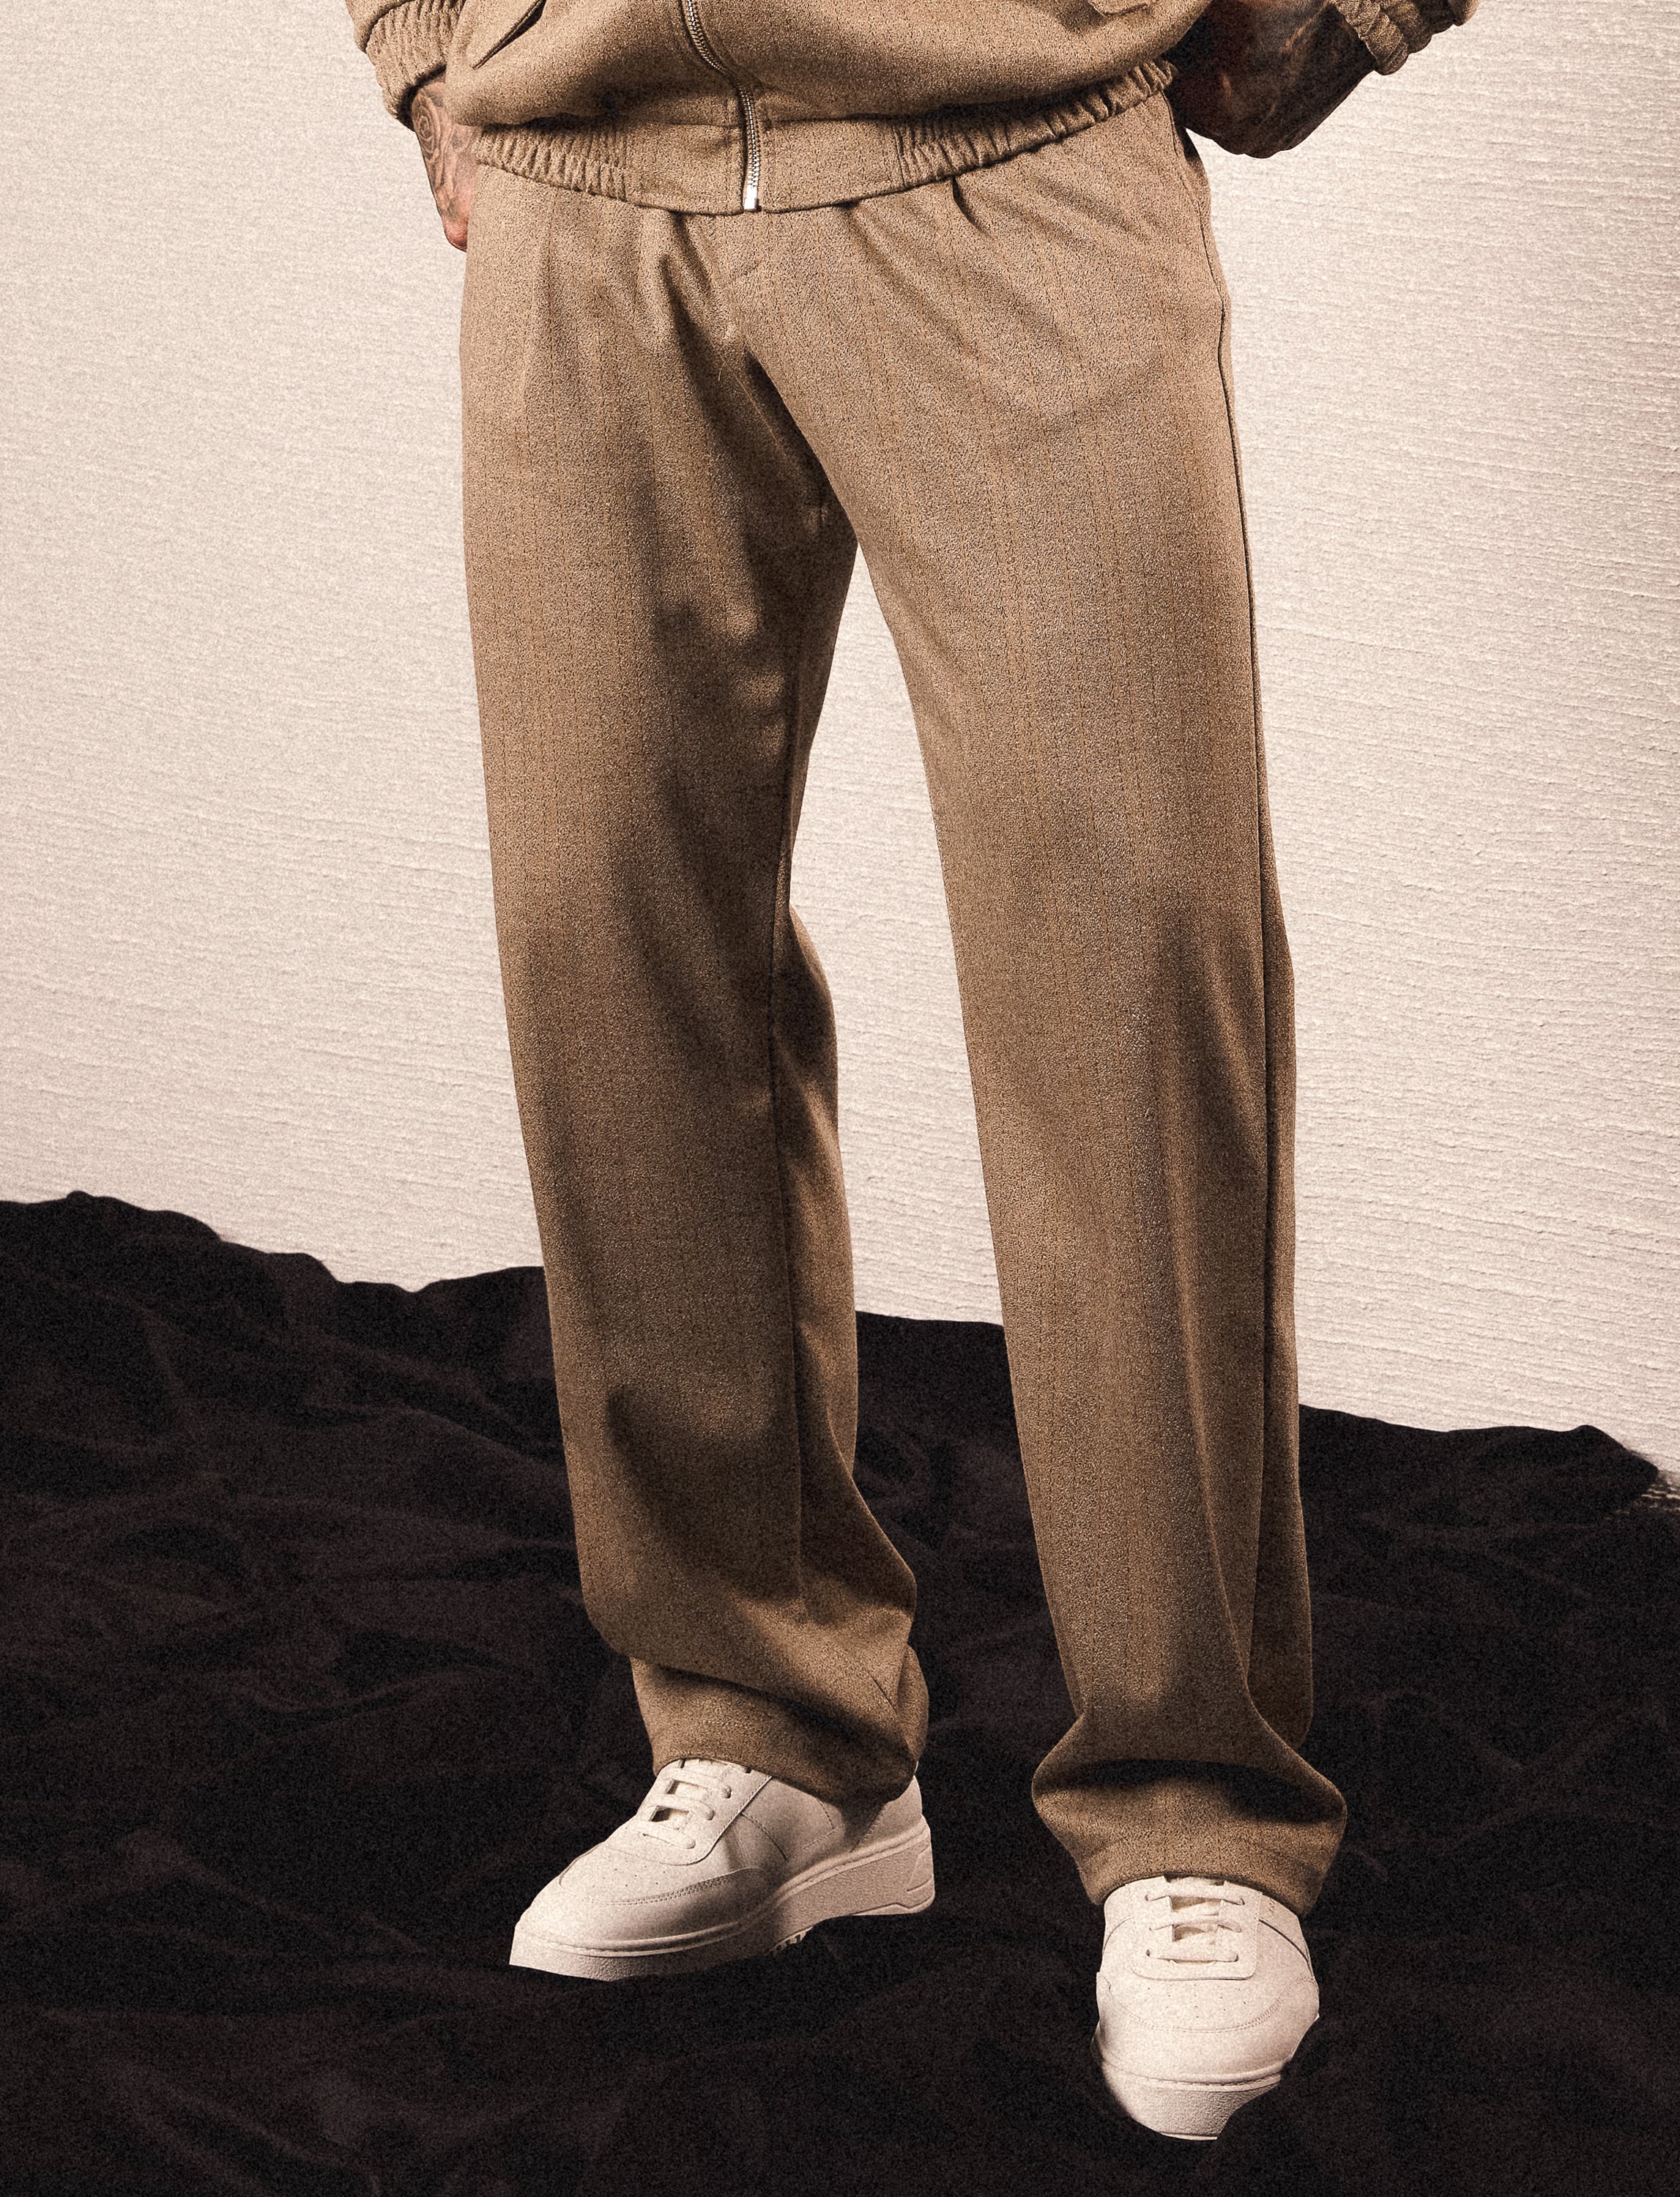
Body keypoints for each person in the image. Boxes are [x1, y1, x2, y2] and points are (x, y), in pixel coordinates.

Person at [343, 0, 1479, 2144]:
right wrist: (428, 39)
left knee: (1128, 963)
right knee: (611, 956)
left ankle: (1196, 1812)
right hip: (585, 183)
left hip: (1009, 150)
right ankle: (772, 1738)